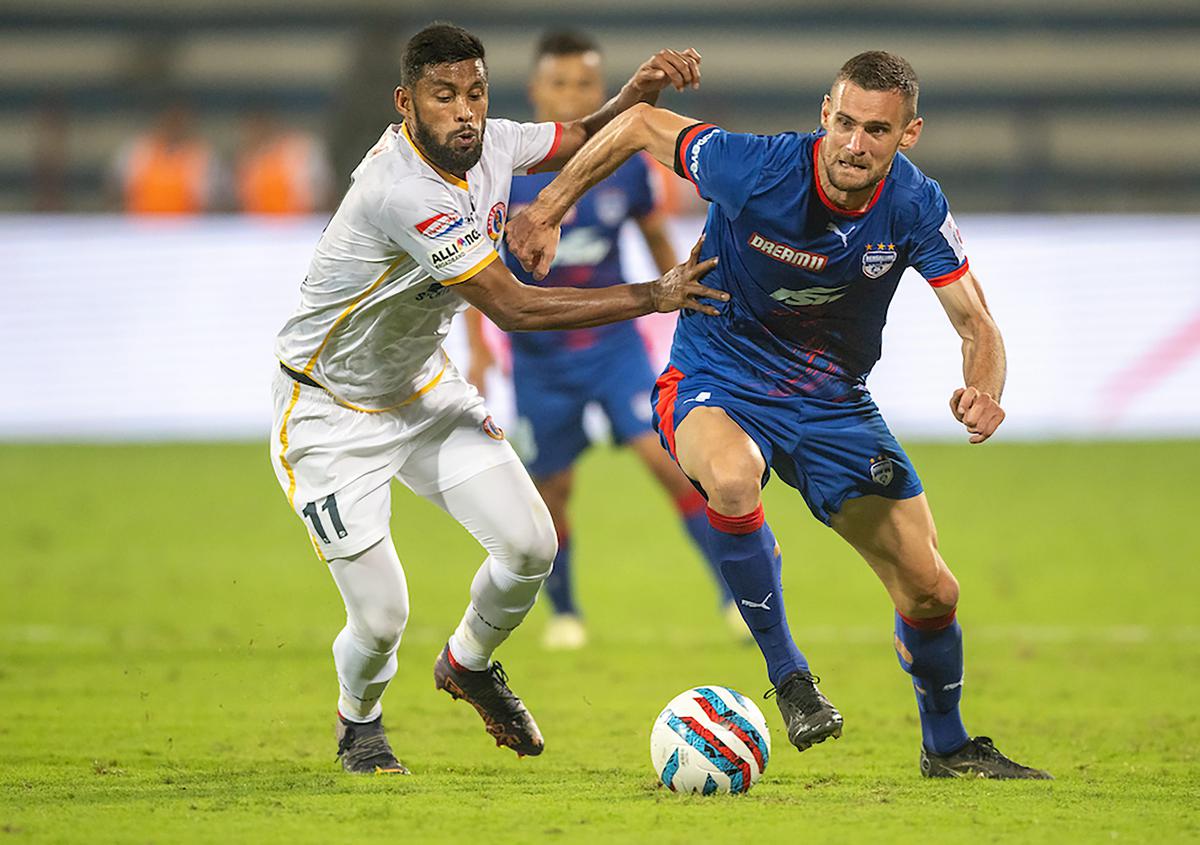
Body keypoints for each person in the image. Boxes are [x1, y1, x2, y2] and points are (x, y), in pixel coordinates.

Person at [507, 51, 1051, 779]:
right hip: (716, 377)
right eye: (845, 123)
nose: (855, 145)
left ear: (908, 135)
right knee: (732, 480)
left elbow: (976, 322)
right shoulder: (754, 167)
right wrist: (546, 208)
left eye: (877, 131)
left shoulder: (916, 204)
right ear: (825, 113)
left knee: (931, 588)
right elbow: (637, 123)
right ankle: (791, 679)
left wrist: (983, 388)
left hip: (832, 403)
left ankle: (946, 747)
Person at [269, 22, 720, 775]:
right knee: (381, 618)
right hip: (330, 411)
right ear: (406, 103)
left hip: (422, 389)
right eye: (443, 96)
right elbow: (511, 306)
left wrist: (632, 99)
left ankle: (468, 663)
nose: (464, 111)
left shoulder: (496, 143)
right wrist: (655, 294)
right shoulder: (399, 189)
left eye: (475, 92)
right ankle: (361, 724)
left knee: (530, 545)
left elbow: (574, 137)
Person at [465, 30, 739, 651]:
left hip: (615, 348)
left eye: (584, 84)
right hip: (541, 357)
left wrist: (690, 298)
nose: (571, 95)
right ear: (535, 91)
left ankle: (731, 597)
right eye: (559, 84)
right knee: (552, 490)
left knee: (668, 464)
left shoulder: (624, 165)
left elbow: (659, 241)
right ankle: (565, 612)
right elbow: (470, 273)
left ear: (601, 90)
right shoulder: (504, 177)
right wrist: (480, 349)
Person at [111, 102, 221, 215]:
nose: (174, 126)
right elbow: (115, 193)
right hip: (140, 226)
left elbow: (216, 201)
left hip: (190, 228)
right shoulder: (136, 151)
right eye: (170, 120)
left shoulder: (202, 155)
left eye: (179, 120)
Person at [236, 112, 333, 215]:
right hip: (259, 222)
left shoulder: (298, 151)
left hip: (299, 221)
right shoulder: (251, 160)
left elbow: (320, 194)